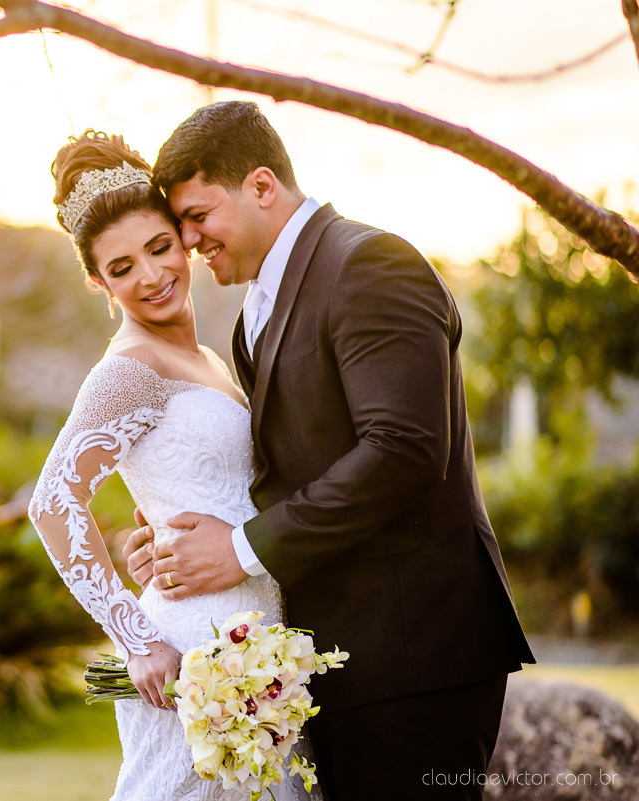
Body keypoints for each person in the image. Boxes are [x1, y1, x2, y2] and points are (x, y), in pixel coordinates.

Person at [123, 101, 536, 800]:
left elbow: (403, 449)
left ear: (261, 186)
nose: (188, 242)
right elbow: (293, 467)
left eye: (198, 215)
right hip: (341, 659)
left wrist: (241, 548)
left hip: (414, 656)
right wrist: (177, 540)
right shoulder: (256, 312)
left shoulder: (369, 264)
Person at [28, 131, 313, 800]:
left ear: (183, 241)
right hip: (190, 654)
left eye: (159, 248)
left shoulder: (209, 358)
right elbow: (53, 504)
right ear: (98, 281)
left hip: (256, 635)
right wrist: (137, 641)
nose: (152, 276)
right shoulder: (129, 370)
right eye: (122, 267)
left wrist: (149, 531)